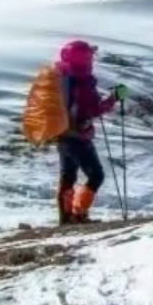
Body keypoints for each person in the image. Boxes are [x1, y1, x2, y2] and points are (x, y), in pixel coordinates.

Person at [54, 40, 127, 224]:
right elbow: (95, 109)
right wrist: (114, 97)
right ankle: (79, 214)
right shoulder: (82, 81)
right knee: (96, 175)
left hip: (62, 133)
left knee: (68, 175)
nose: (92, 59)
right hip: (79, 134)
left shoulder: (62, 77)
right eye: (89, 56)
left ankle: (65, 218)